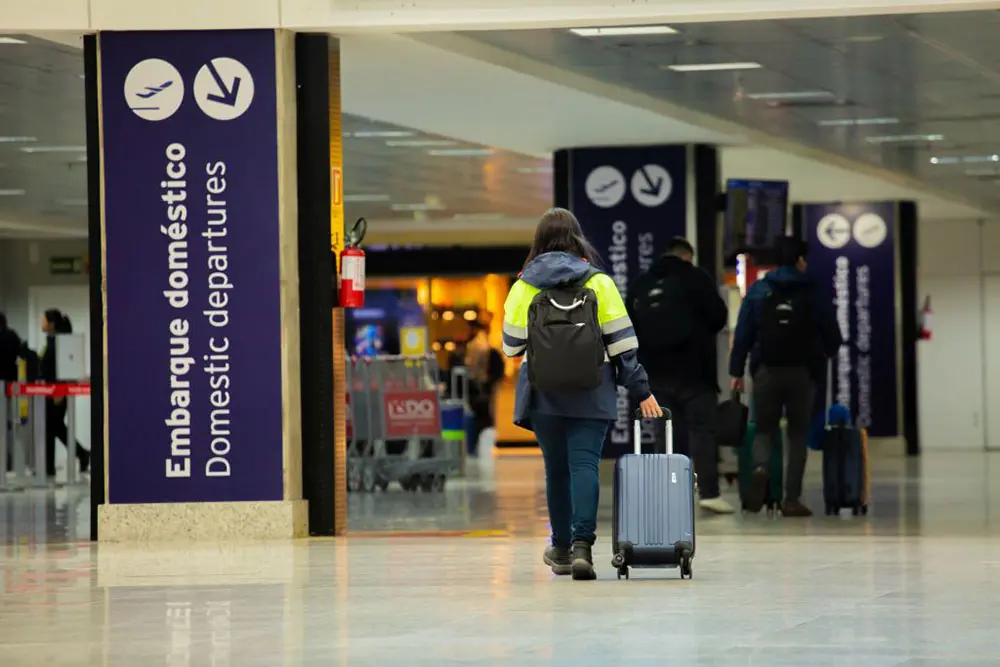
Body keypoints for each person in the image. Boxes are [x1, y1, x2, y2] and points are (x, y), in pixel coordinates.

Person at [502, 207, 661, 581]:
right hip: (592, 391)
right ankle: (582, 548)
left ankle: (558, 547)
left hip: (543, 394)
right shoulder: (599, 282)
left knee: (556, 471)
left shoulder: (525, 285)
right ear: (577, 238)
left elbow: (511, 347)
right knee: (585, 466)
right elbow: (623, 344)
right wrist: (641, 391)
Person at [728, 237, 841, 517]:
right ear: (801, 260)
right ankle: (791, 499)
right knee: (797, 435)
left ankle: (761, 469)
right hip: (802, 373)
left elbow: (743, 334)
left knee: (764, 429)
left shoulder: (758, 291)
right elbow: (832, 334)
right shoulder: (813, 291)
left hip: (766, 370)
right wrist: (826, 353)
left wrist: (736, 371)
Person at [626, 237, 733, 514]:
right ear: (687, 256)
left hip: (656, 375)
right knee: (702, 431)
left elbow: (629, 329)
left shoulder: (641, 284)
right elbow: (718, 317)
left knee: (665, 433)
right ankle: (708, 493)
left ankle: (669, 493)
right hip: (695, 373)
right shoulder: (696, 278)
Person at [40, 309, 90, 479]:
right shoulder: (53, 339)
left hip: (57, 391)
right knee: (55, 427)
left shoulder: (60, 340)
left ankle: (51, 467)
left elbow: (64, 366)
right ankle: (78, 455)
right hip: (50, 390)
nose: (42, 323)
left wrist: (60, 390)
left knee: (53, 427)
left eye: (44, 320)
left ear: (52, 323)